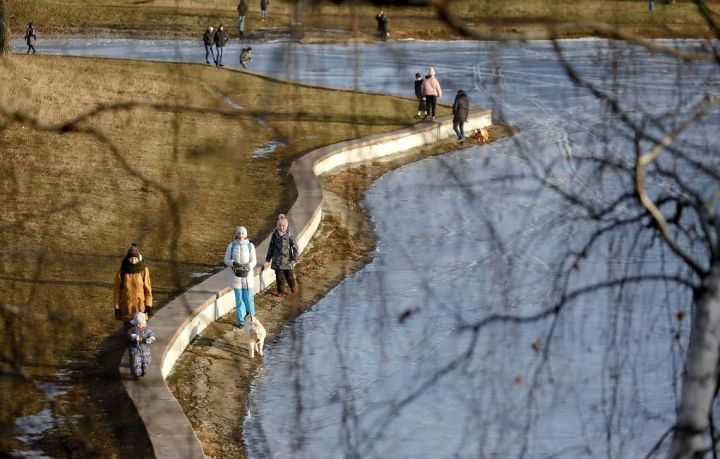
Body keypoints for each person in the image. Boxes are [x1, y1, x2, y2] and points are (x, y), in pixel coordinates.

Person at [224, 226, 257, 328]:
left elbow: (254, 261)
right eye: (239, 233)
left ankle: (252, 318)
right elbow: (226, 260)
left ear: (246, 234)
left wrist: (248, 266)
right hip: (236, 277)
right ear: (236, 234)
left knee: (249, 298)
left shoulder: (250, 246)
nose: (241, 235)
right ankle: (241, 321)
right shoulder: (231, 245)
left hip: (248, 278)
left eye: (243, 233)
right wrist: (233, 263)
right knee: (239, 300)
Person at [114, 243, 153, 323]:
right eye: (131, 258)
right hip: (126, 311)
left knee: (139, 334)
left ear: (138, 258)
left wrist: (148, 306)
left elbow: (148, 290)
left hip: (140, 311)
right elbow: (117, 291)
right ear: (127, 258)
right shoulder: (122, 271)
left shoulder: (144, 270)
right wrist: (117, 308)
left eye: (135, 258)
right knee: (128, 334)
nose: (133, 261)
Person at [264, 214, 298, 298]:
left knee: (289, 276)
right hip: (277, 260)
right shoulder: (275, 235)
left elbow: (294, 246)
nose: (281, 227)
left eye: (283, 225)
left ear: (287, 226)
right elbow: (271, 246)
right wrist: (268, 258)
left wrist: (295, 256)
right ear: (277, 226)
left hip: (287, 260)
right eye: (279, 225)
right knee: (279, 278)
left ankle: (292, 286)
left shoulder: (290, 235)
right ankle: (281, 291)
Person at [126, 312, 156, 379]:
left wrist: (149, 339)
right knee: (136, 363)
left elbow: (153, 336)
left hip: (145, 350)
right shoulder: (132, 330)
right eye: (138, 324)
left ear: (144, 323)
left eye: (141, 324)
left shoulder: (147, 330)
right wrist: (134, 336)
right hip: (135, 350)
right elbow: (128, 334)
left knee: (146, 362)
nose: (139, 325)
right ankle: (137, 374)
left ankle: (143, 370)